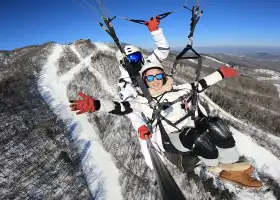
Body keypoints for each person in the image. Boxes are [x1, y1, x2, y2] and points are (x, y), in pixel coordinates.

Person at [69, 61, 262, 188]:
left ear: (163, 76)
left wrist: (220, 73)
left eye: (157, 76)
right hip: (171, 139)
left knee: (216, 124)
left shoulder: (179, 89)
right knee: (199, 138)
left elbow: (201, 84)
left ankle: (235, 165)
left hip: (191, 126)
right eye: (149, 78)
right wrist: (96, 105)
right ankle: (221, 170)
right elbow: (121, 107)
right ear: (144, 81)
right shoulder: (142, 101)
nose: (155, 81)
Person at [115, 16, 170, 102]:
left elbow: (163, 50)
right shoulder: (126, 82)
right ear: (123, 64)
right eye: (131, 61)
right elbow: (126, 100)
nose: (136, 63)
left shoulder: (148, 64)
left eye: (137, 57)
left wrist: (155, 32)